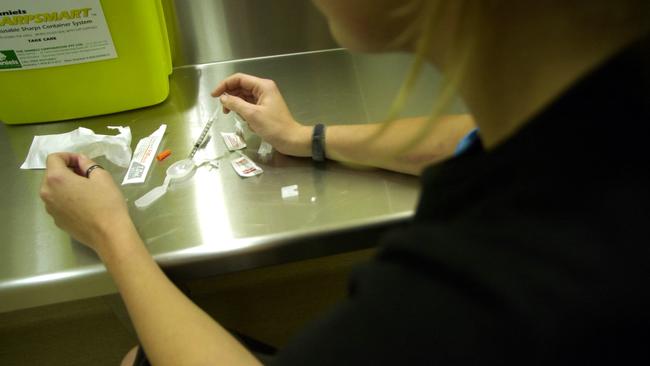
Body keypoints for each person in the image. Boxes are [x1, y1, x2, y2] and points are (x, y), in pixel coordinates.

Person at [39, 0, 650, 365]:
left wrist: (111, 231)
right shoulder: (597, 107)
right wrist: (304, 136)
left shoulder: (488, 292)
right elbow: (468, 134)